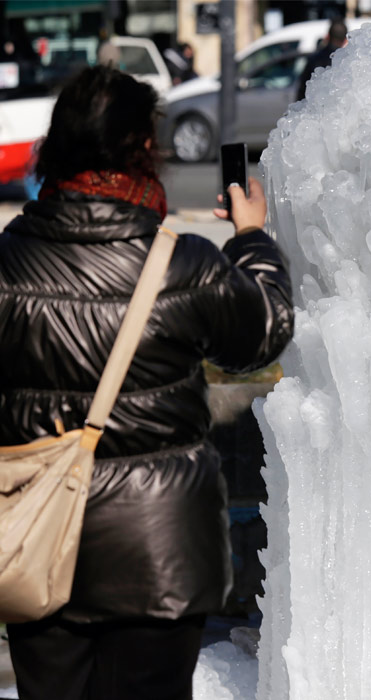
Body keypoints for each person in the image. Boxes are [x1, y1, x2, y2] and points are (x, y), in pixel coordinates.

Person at [0, 66, 293, 699]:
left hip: (35, 537)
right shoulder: (179, 262)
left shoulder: (7, 262)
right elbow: (262, 333)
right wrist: (250, 238)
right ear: (141, 152)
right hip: (160, 548)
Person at [295, 19, 348, 102]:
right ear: (345, 39)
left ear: (327, 36)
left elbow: (302, 90)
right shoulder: (347, 61)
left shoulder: (314, 59)